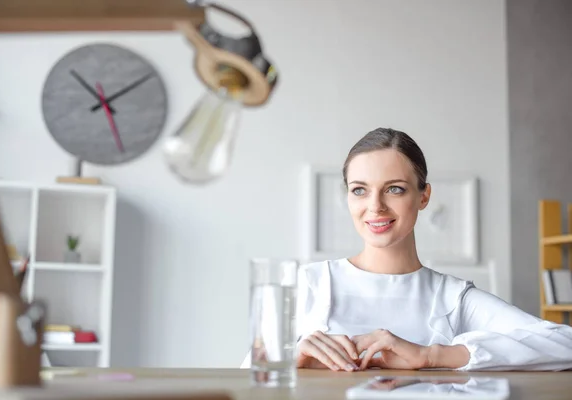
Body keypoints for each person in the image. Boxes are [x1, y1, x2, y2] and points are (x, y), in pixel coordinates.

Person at [241, 127, 572, 372]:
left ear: (424, 196)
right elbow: (246, 374)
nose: (375, 207)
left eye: (394, 189)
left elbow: (564, 344)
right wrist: (292, 356)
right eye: (360, 191)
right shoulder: (309, 283)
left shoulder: (453, 298)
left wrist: (430, 355)